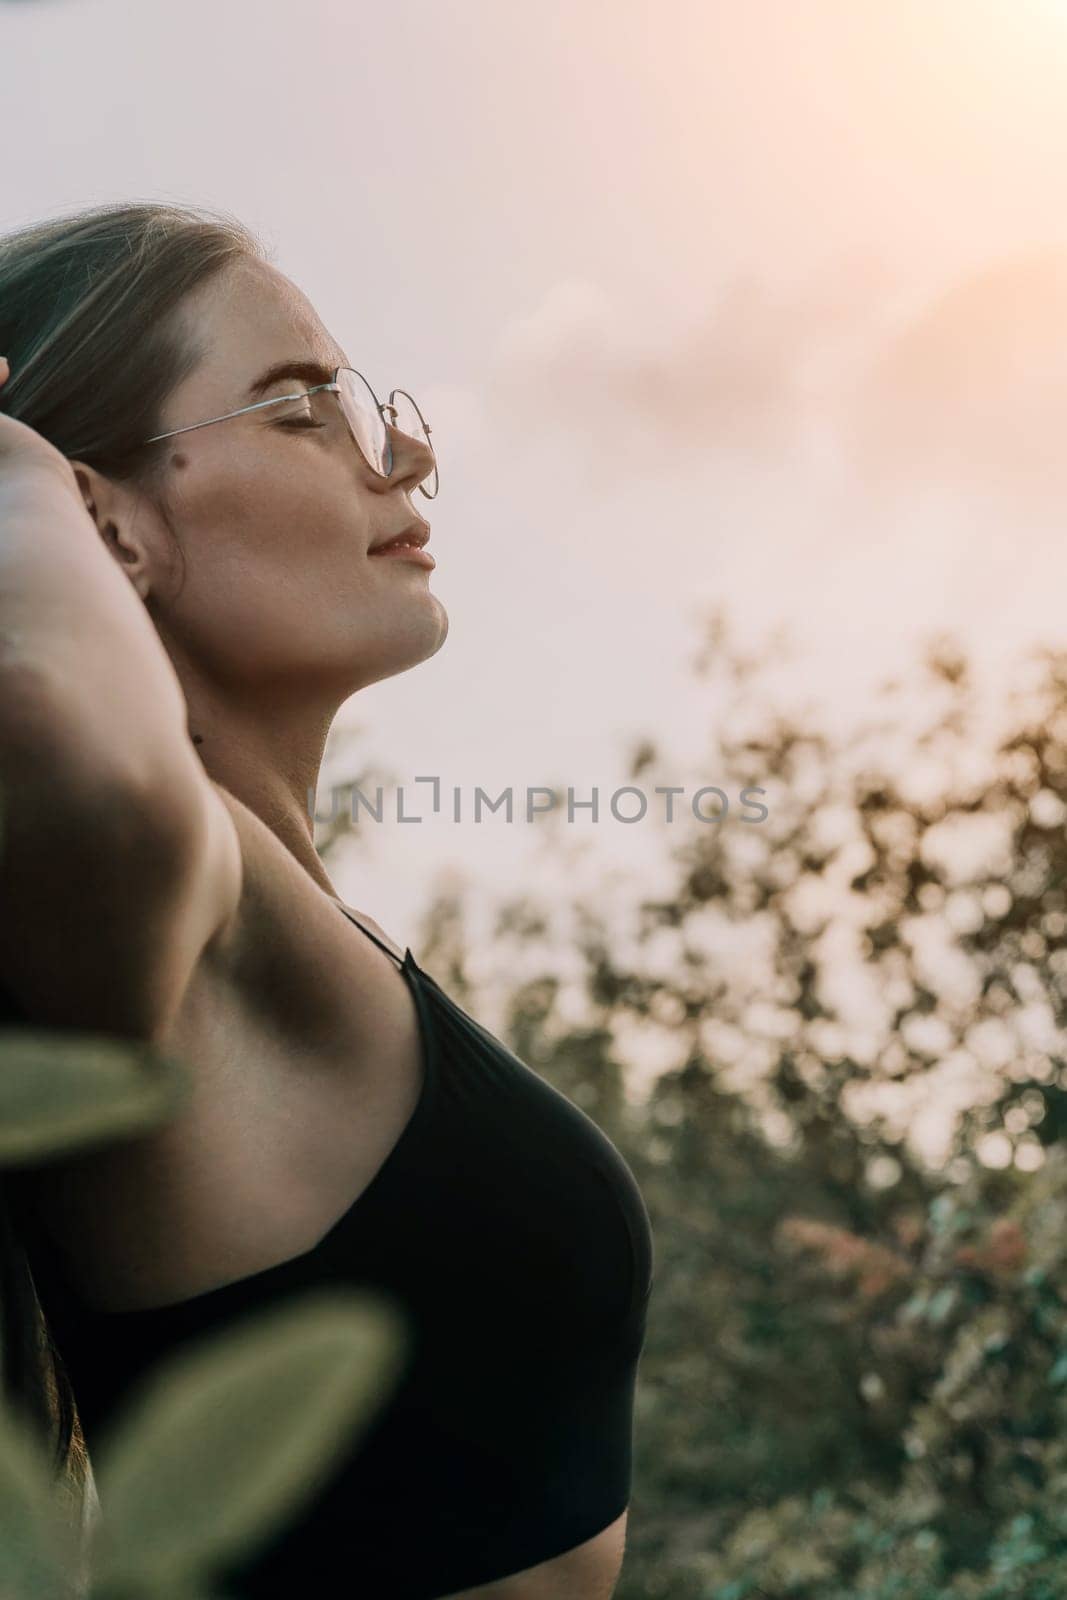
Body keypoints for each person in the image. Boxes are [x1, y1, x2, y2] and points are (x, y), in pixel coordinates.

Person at [0, 201, 654, 1600]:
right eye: (302, 409)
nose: (405, 452)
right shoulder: (193, 920)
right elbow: (80, 771)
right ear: (100, 516)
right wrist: (3, 472)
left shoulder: (280, 913)